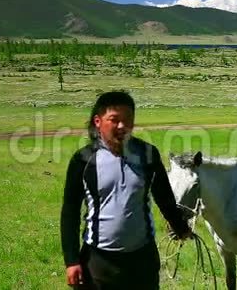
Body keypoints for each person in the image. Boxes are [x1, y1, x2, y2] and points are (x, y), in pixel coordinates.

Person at [60, 91, 192, 289]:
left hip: (142, 260)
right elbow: (70, 211)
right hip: (98, 261)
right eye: (114, 120)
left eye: (128, 119)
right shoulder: (83, 160)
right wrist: (71, 261)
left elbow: (164, 197)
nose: (122, 126)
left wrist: (180, 227)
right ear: (98, 121)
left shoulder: (148, 154)